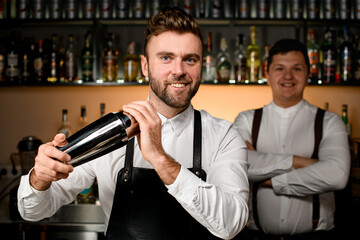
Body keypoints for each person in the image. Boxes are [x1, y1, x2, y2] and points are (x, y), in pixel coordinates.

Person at [17, 7, 249, 240]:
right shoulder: (108, 132)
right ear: (145, 65)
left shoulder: (224, 135)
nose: (179, 71)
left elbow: (231, 224)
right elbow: (33, 212)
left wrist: (160, 159)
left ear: (201, 66)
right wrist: (40, 178)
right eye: (166, 58)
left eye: (190, 59)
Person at [233, 39, 350, 240]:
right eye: (279, 68)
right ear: (267, 75)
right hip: (257, 237)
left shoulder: (330, 122)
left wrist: (270, 180)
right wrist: (303, 162)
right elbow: (238, 166)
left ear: (308, 74)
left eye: (297, 68)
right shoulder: (246, 119)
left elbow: (337, 176)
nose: (288, 76)